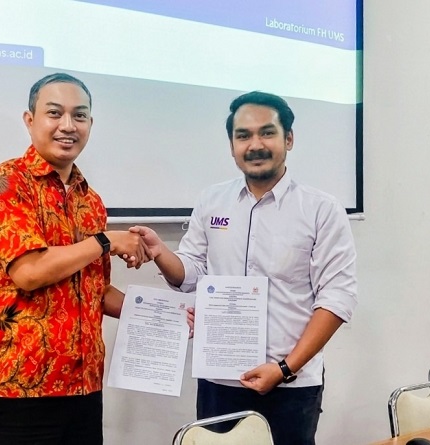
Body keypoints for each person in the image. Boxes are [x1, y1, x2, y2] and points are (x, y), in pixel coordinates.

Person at [132, 91, 357, 445]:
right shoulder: (212, 201)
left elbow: (337, 298)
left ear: (289, 139)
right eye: (243, 135)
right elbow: (192, 272)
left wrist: (284, 369)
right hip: (219, 380)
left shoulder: (321, 210)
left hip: (291, 384)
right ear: (232, 145)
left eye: (267, 133)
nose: (255, 145)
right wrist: (160, 252)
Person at [0, 72, 150, 444]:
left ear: (90, 124)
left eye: (79, 116)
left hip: (83, 389)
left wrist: (165, 313)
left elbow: (96, 291)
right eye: (55, 113)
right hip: (18, 391)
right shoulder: (4, 182)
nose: (68, 125)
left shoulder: (90, 200)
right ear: (29, 120)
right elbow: (30, 272)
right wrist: (106, 240)